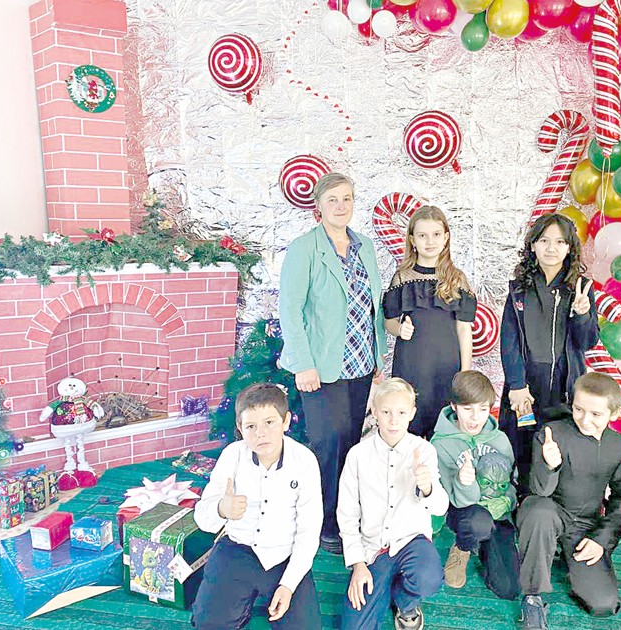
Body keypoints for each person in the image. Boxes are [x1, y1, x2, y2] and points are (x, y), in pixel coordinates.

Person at [279, 172, 387, 554]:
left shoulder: (365, 247)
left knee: (350, 442)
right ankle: (325, 522)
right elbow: (290, 310)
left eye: (347, 198)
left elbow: (372, 305)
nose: (341, 206)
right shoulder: (304, 249)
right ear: (319, 207)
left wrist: (378, 353)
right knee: (328, 444)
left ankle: (345, 516)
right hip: (320, 366)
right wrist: (302, 364)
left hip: (360, 361)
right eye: (333, 200)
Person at [192, 383, 322, 629]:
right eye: (251, 426)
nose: (261, 433)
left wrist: (288, 585)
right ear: (240, 428)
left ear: (286, 421)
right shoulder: (232, 455)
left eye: (269, 423)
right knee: (207, 623)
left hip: (285, 555)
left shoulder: (304, 461)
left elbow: (309, 530)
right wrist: (222, 509)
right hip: (237, 549)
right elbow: (202, 518)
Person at [517, 372, 621, 629]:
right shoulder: (552, 433)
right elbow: (539, 491)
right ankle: (532, 596)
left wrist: (601, 540)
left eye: (596, 414)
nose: (584, 419)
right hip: (548, 511)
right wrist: (550, 466)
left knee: (604, 604)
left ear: (614, 414)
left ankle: (565, 559)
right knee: (539, 512)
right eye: (579, 409)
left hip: (585, 524)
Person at [337, 378, 448, 630]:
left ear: (412, 414)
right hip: (374, 550)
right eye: (386, 412)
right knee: (354, 627)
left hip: (411, 542)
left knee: (428, 577)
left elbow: (440, 508)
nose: (393, 420)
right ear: (374, 412)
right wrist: (358, 565)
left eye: (401, 413)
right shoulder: (358, 455)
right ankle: (383, 585)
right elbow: (347, 514)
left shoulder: (424, 450)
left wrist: (427, 487)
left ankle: (405, 602)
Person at [499, 213, 599, 494]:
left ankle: (555, 505)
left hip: (564, 387)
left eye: (560, 242)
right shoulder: (519, 289)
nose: (551, 248)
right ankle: (520, 502)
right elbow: (509, 340)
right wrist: (516, 385)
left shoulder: (580, 288)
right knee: (520, 446)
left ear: (569, 248)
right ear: (533, 245)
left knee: (559, 449)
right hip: (526, 386)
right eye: (544, 240)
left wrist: (582, 314)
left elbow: (587, 342)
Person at [383, 205, 477, 438]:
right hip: (411, 365)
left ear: (446, 238)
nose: (430, 241)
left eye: (436, 234)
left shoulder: (456, 279)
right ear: (412, 240)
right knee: (410, 430)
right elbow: (388, 322)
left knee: (444, 431)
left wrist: (465, 371)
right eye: (422, 235)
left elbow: (464, 329)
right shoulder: (402, 277)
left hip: (446, 367)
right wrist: (399, 329)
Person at [430, 370, 520, 599]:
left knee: (508, 588)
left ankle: (482, 546)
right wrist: (464, 481)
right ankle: (462, 548)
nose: (475, 418)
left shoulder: (499, 439)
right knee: (478, 522)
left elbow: (512, 481)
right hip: (465, 513)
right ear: (454, 406)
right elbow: (455, 500)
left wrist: (507, 501)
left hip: (496, 513)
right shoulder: (441, 444)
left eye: (482, 409)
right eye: (467, 409)